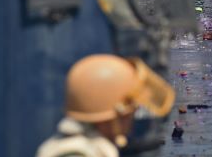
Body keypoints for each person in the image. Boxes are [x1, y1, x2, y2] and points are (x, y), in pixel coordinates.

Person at [36, 55, 175, 157]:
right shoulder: (75, 153)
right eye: (129, 111)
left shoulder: (82, 147)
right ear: (115, 115)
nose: (132, 115)